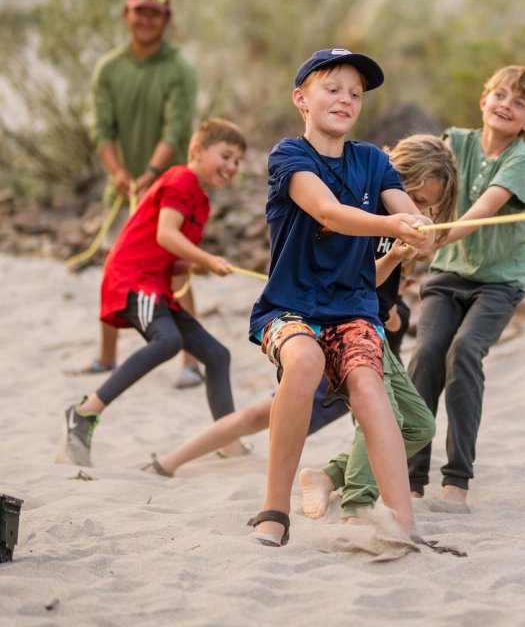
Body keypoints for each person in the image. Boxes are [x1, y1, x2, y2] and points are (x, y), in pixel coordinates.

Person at [143, 136, 458, 520]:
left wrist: (397, 264)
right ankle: (354, 505)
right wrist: (390, 297)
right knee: (274, 413)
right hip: (325, 328)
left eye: (428, 205)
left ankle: (328, 477)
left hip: (359, 336)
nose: (421, 209)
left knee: (393, 418)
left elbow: (411, 252)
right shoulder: (363, 209)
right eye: (419, 198)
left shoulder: (393, 226)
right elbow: (339, 243)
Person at [245, 48, 435, 547]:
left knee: (372, 389)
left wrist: (420, 229)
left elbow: (409, 214)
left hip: (352, 310)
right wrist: (392, 225)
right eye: (332, 89)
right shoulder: (289, 156)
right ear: (301, 99)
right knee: (304, 362)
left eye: (355, 93)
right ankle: (273, 509)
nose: (346, 99)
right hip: (289, 308)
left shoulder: (372, 161)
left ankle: (401, 526)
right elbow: (327, 212)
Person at [59, 118, 248, 468]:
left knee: (218, 355)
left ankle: (229, 441)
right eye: (226, 155)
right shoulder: (181, 179)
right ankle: (84, 412)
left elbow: (170, 256)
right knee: (167, 341)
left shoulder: (202, 202)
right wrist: (206, 257)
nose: (232, 166)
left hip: (155, 283)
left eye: (238, 161)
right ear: (197, 151)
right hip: (132, 278)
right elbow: (165, 234)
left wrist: (195, 266)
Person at [407, 65, 525, 507]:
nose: (506, 104)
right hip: (447, 277)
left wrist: (434, 238)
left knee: (463, 352)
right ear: (484, 100)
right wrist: (406, 243)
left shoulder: (520, 158)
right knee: (427, 354)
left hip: (498, 284)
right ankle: (409, 478)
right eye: (500, 95)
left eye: (519, 102)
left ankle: (456, 482)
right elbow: (412, 184)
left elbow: (482, 210)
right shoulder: (455, 142)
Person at [79, 0, 204, 389]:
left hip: (169, 186)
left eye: (154, 13)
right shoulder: (109, 68)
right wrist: (118, 172)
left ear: (166, 20)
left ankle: (190, 361)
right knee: (115, 267)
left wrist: (152, 171)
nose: (146, 20)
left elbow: (177, 127)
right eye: (139, 12)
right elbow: (101, 127)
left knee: (174, 269)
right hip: (123, 187)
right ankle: (106, 355)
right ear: (126, 15)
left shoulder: (179, 68)